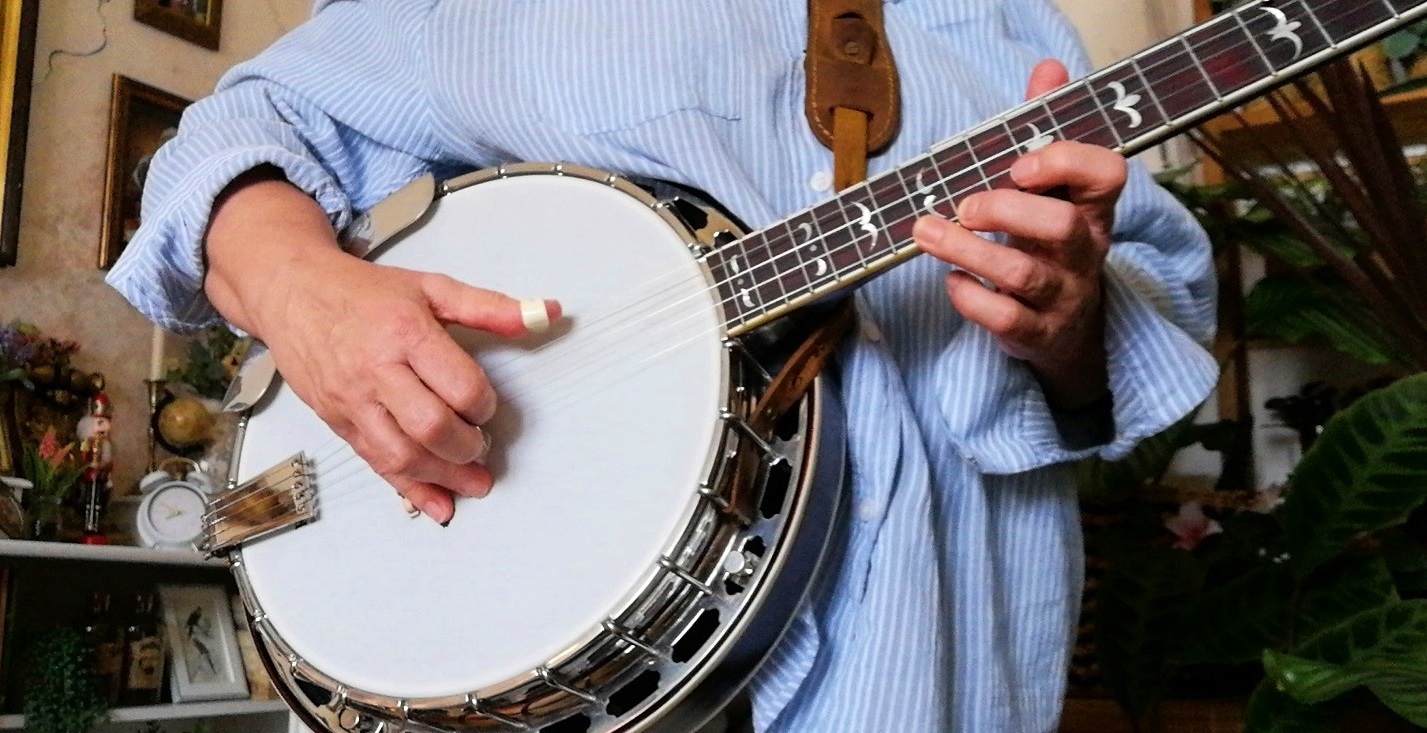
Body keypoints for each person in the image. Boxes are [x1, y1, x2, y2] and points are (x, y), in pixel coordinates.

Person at [107, 1, 1219, 731]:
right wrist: (304, 293)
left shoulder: (1005, 21)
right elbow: (236, 133)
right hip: (532, 661)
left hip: (930, 648)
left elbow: (1141, 328)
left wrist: (1066, 320)